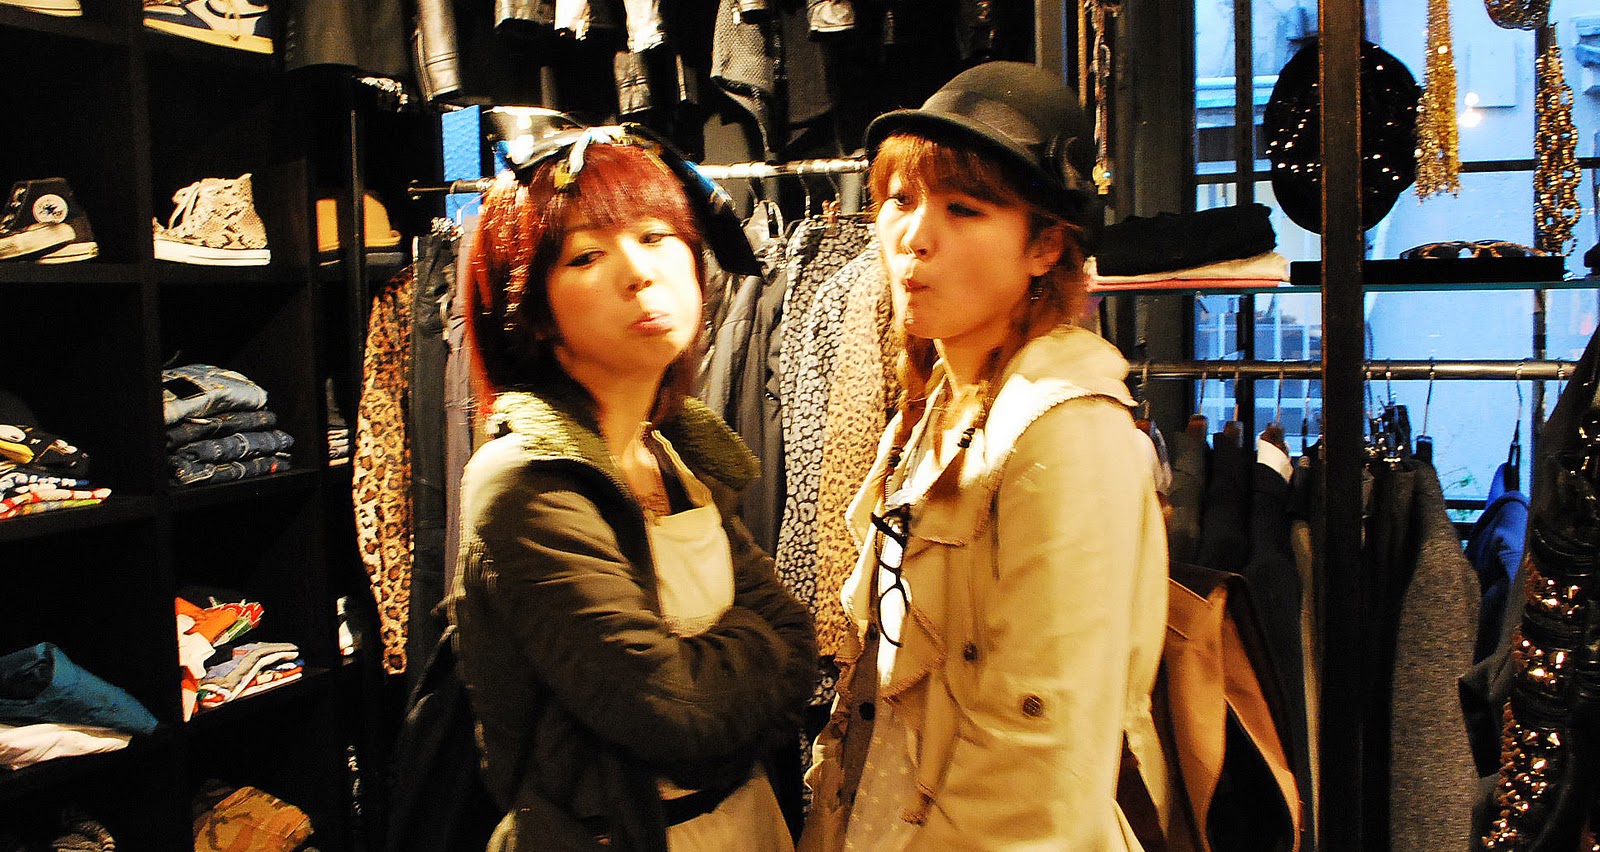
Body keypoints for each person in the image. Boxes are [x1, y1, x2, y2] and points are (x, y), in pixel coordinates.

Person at [800, 61, 1171, 850]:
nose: (914, 236)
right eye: (900, 199)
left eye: (963, 209)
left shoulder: (1067, 431)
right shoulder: (949, 399)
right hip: (897, 807)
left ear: (1045, 246)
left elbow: (1035, 756)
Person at [451, 122, 817, 852]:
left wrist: (735, 678)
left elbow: (797, 640)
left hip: (746, 823)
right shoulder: (527, 482)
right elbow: (675, 714)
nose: (638, 271)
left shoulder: (678, 451)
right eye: (587, 255)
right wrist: (754, 668)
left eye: (655, 236)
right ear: (533, 314)